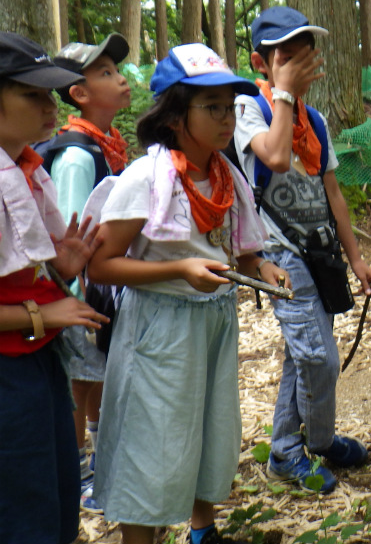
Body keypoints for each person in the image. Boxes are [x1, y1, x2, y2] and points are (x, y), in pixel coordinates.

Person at [87, 43, 289, 544]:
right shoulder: (144, 180)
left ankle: (204, 531)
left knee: (207, 429)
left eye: (230, 107)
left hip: (214, 323)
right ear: (176, 116)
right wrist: (179, 268)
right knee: (152, 444)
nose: (227, 120)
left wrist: (261, 266)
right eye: (213, 107)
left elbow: (238, 250)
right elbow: (101, 264)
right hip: (160, 330)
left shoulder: (225, 176)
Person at [233, 6, 371, 492]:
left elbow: (334, 192)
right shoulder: (249, 107)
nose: (298, 68)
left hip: (320, 253)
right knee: (319, 358)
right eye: (285, 58)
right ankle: (317, 439)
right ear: (261, 62)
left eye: (305, 58)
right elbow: (272, 155)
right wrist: (284, 92)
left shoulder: (314, 120)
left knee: (302, 356)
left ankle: (289, 450)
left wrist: (355, 257)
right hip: (279, 256)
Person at [0, 31, 108, 544]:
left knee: (58, 496)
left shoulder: (26, 169)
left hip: (38, 361)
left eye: (51, 93)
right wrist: (47, 314)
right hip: (8, 370)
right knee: (23, 513)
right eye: (32, 94)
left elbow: (25, 273)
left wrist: (61, 270)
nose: (49, 106)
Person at [49, 32, 131, 514]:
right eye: (104, 73)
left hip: (105, 291)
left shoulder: (110, 146)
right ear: (78, 93)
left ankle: (100, 460)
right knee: (80, 380)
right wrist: (78, 295)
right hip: (86, 294)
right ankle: (79, 470)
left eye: (116, 70)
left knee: (97, 377)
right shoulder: (79, 155)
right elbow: (70, 227)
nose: (120, 78)